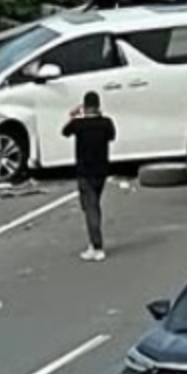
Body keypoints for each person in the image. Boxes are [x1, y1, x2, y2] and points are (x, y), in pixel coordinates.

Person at [62, 91, 116, 262]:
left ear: (84, 106)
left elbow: (65, 132)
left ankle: (96, 245)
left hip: (84, 171)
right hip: (102, 170)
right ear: (98, 106)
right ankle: (94, 242)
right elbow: (112, 136)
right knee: (94, 205)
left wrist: (73, 115)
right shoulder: (106, 123)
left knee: (90, 207)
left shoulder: (79, 125)